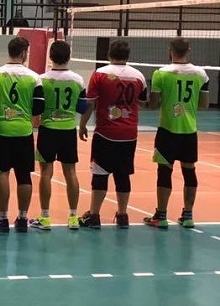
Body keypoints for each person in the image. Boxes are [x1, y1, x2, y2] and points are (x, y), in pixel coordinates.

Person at [78, 40, 147, 229]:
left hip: (106, 132)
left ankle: (94, 216)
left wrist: (82, 125)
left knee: (100, 173)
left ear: (109, 54)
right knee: (123, 174)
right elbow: (142, 102)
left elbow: (90, 103)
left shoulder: (100, 74)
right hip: (129, 134)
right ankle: (123, 215)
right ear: (128, 55)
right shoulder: (139, 76)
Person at [143, 38, 209, 230]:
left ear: (170, 50)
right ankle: (188, 216)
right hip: (189, 131)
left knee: (164, 171)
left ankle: (161, 216)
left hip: (167, 130)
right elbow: (204, 105)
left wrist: (148, 102)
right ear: (189, 50)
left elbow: (154, 104)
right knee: (189, 171)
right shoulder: (201, 74)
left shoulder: (161, 73)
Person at [0, 37, 44, 233]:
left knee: (1, 173)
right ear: (23, 53)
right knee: (24, 175)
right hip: (23, 131)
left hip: (1, 130)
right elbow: (39, 107)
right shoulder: (33, 77)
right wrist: (23, 111)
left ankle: (2, 219)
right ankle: (22, 218)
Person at [29, 41, 86, 231]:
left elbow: (37, 107)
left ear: (50, 56)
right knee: (71, 172)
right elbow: (82, 107)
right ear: (69, 56)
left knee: (46, 173)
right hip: (68, 129)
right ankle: (73, 217)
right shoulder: (78, 80)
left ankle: (45, 218)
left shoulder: (41, 79)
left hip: (48, 129)